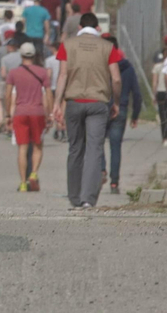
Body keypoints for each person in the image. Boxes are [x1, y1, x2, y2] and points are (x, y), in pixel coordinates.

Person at [52, 12, 123, 209]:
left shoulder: (67, 45)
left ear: (80, 27)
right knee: (94, 150)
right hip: (98, 104)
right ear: (97, 27)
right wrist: (115, 102)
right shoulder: (108, 47)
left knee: (75, 149)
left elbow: (62, 75)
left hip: (74, 102)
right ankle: (88, 199)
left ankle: (74, 197)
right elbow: (116, 79)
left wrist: (57, 103)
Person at [6, 42, 53, 192]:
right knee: (38, 145)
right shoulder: (42, 72)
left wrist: (8, 114)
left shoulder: (13, 73)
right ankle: (33, 173)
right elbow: (48, 94)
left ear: (21, 55)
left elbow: (8, 94)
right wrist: (50, 113)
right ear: (34, 55)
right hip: (37, 112)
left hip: (20, 112)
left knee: (22, 148)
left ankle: (22, 182)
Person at [103, 34, 141, 194]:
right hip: (122, 109)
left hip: (102, 107)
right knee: (115, 146)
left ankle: (101, 170)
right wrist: (135, 115)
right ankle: (114, 182)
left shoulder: (101, 66)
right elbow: (137, 93)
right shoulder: (128, 67)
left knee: (96, 141)